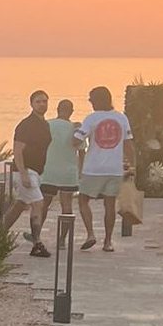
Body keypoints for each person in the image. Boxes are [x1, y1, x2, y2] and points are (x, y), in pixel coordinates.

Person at [74, 86, 135, 252]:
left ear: (97, 100)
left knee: (83, 200)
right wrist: (132, 166)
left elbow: (76, 140)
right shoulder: (121, 118)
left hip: (93, 168)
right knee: (109, 205)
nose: (90, 102)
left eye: (91, 99)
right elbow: (128, 145)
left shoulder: (91, 118)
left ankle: (90, 234)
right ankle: (108, 242)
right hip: (114, 169)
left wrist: (74, 130)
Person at [1, 90, 53, 256]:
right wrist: (23, 173)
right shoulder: (26, 125)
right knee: (38, 203)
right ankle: (37, 243)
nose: (42, 104)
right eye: (38, 101)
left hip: (36, 172)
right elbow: (17, 150)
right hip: (25, 171)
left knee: (19, 205)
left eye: (44, 101)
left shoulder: (45, 125)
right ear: (31, 104)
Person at [40, 98, 91, 247]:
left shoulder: (47, 125)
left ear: (57, 109)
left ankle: (36, 235)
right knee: (67, 206)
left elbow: (39, 147)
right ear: (71, 112)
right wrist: (81, 172)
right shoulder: (76, 130)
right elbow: (82, 153)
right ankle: (62, 240)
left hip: (49, 171)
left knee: (44, 204)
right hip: (68, 173)